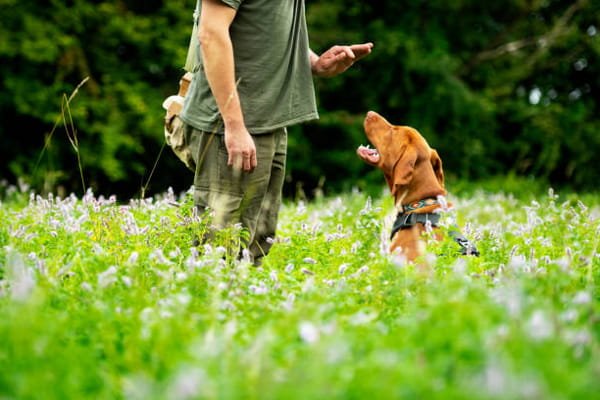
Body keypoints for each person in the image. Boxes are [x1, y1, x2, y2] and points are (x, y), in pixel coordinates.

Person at [179, 0, 373, 264]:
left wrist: (315, 63)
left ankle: (245, 305)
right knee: (217, 252)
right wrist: (234, 126)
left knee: (254, 249)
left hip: (267, 122)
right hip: (233, 124)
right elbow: (211, 34)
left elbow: (262, 27)